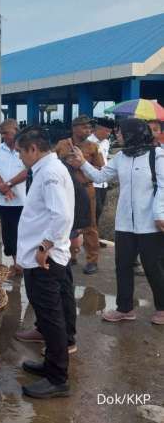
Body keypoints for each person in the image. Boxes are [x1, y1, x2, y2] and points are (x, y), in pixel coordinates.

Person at [69, 119, 164, 325]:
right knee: (122, 266)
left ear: (133, 134)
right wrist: (82, 162)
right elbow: (101, 175)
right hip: (125, 224)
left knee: (153, 266)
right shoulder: (121, 157)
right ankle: (125, 308)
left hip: (150, 223)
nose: (117, 135)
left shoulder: (156, 156)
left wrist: (159, 214)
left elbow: (163, 187)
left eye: (121, 133)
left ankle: (162, 307)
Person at [15, 126, 75, 399]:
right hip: (43, 256)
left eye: (20, 152)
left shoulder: (49, 173)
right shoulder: (47, 169)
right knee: (50, 313)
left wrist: (44, 246)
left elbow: (61, 216)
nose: (20, 157)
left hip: (45, 259)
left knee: (51, 317)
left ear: (33, 149)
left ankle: (58, 378)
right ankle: (51, 365)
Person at [56, 115, 104, 275]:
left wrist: (82, 164)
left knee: (90, 226)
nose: (88, 130)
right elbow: (52, 164)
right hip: (66, 190)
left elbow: (101, 171)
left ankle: (92, 260)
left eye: (90, 128)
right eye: (85, 127)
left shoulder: (93, 147)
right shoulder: (62, 144)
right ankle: (70, 255)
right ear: (74, 128)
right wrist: (65, 161)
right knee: (67, 223)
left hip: (86, 189)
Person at [0, 120, 28, 266]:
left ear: (16, 130)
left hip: (24, 199)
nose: (4, 136)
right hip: (5, 200)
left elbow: (27, 171)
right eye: (2, 134)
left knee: (24, 233)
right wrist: (2, 187)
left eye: (7, 133)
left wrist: (8, 184)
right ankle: (16, 262)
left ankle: (24, 263)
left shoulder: (25, 148)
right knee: (8, 234)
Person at [86, 118, 113, 226]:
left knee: (99, 211)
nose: (109, 134)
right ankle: (89, 237)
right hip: (92, 182)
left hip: (103, 183)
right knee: (92, 211)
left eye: (110, 132)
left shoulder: (106, 142)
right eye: (107, 131)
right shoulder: (88, 142)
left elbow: (105, 160)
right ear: (99, 129)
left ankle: (94, 235)